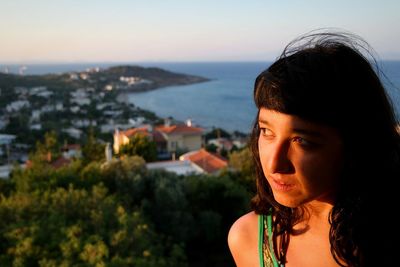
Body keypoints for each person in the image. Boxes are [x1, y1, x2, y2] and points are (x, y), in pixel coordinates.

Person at [228, 30, 400, 267]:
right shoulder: (248, 240)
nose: (274, 164)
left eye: (302, 141)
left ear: (356, 144)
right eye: (266, 131)